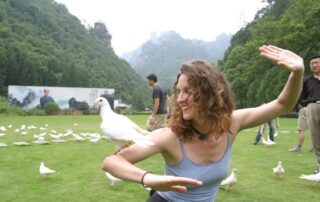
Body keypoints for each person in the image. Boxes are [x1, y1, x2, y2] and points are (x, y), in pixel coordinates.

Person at [102, 45, 304, 202]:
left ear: (211, 93)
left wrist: (297, 73)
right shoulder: (170, 136)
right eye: (179, 91)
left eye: (188, 91)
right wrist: (148, 178)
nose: (180, 99)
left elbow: (283, 103)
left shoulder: (231, 123)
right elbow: (111, 162)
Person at [298, 54, 320, 173]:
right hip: (313, 108)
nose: (315, 65)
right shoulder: (307, 80)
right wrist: (311, 102)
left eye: (317, 62)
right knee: (316, 136)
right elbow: (301, 98)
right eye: (312, 64)